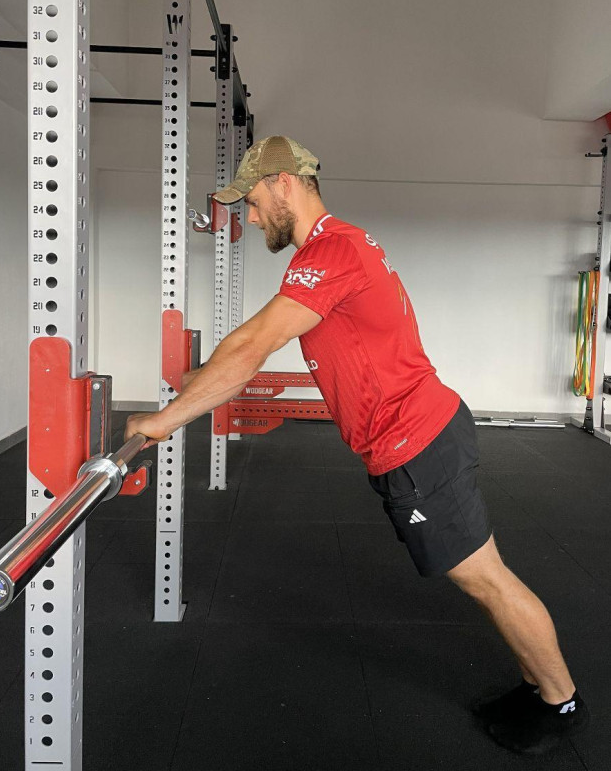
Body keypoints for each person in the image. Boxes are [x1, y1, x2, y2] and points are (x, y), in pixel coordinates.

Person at [125, 135, 588, 754]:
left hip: (418, 443)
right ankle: (538, 687)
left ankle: (560, 701)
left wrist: (164, 420)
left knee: (487, 580)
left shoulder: (332, 250)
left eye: (253, 201)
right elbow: (253, 346)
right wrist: (203, 379)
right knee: (485, 577)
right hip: (421, 433)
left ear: (285, 182)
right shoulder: (337, 244)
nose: (251, 217)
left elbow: (253, 345)